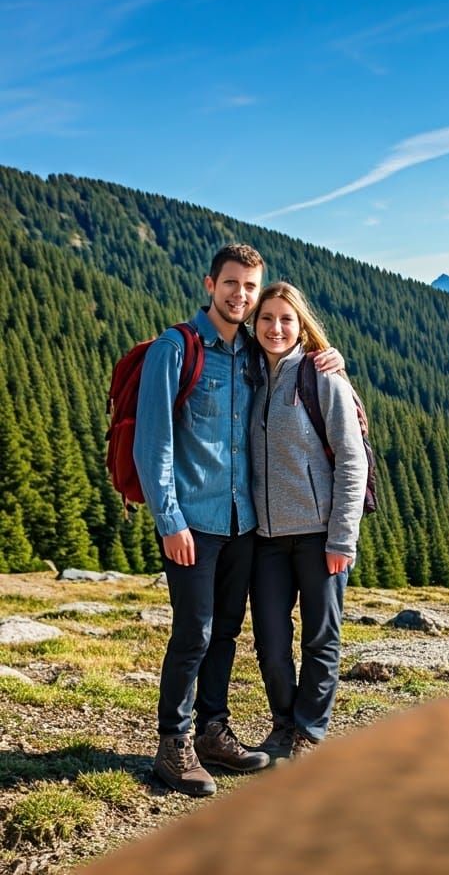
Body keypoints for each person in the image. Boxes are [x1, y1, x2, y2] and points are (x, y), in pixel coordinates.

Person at [135, 244, 342, 797]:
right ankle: (172, 745)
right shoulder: (174, 349)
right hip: (193, 523)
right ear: (210, 284)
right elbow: (151, 445)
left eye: (251, 287)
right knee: (194, 633)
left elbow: (295, 363)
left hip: (245, 524)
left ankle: (211, 730)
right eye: (232, 284)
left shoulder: (252, 354)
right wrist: (169, 519)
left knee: (225, 632)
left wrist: (330, 357)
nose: (241, 296)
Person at [247, 282, 368, 762]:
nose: (275, 328)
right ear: (254, 326)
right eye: (266, 319)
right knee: (271, 640)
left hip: (321, 535)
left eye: (285, 319)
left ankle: (308, 733)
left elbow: (352, 461)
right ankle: (282, 723)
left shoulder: (323, 379)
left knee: (322, 637)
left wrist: (342, 537)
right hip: (267, 539)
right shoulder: (248, 376)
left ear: (301, 326)